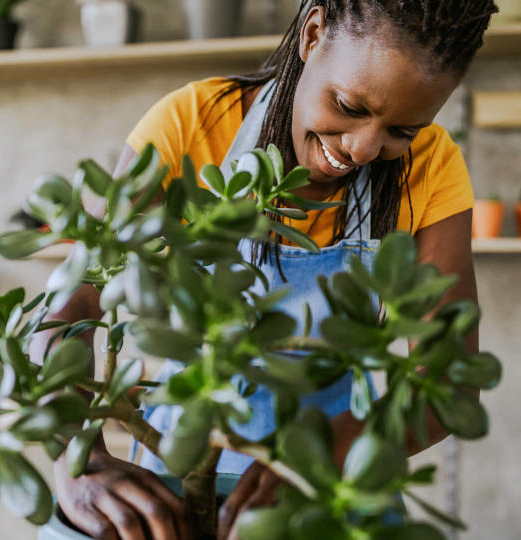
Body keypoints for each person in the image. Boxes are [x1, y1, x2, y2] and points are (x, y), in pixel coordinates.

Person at [38, 1, 496, 538]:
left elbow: (448, 382)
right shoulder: (194, 122)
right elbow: (71, 309)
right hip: (176, 479)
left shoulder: (432, 167)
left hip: (326, 486)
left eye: (403, 131)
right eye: (349, 105)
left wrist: (323, 453)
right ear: (313, 33)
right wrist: (79, 460)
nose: (364, 148)